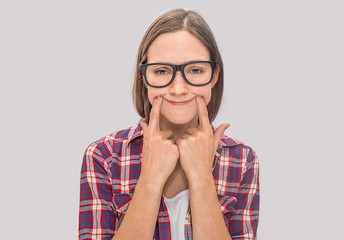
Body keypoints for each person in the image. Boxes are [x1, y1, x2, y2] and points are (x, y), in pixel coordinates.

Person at [78, 8, 259, 240]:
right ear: (144, 77)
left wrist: (202, 177)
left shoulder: (242, 160)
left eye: (195, 70)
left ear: (214, 76)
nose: (178, 89)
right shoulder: (104, 156)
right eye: (162, 71)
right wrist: (151, 178)